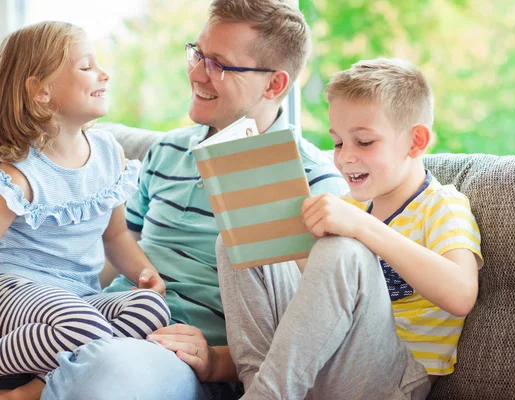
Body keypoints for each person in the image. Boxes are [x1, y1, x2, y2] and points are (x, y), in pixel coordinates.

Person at [39, 1, 347, 400]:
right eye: (197, 53)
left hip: (179, 363)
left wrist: (218, 361)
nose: (196, 72)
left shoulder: (317, 186)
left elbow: (316, 338)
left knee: (108, 374)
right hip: (109, 321)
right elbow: (113, 254)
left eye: (219, 64)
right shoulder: (165, 151)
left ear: (274, 85)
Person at [215, 58, 484, 399]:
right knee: (237, 239)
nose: (344, 158)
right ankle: (258, 386)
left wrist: (362, 228)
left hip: (395, 380)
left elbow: (461, 294)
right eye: (339, 143)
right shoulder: (351, 207)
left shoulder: (441, 205)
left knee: (343, 249)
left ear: (416, 141)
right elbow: (321, 293)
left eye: (365, 142)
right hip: (326, 361)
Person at [0, 21, 171, 400]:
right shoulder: (17, 170)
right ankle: (23, 388)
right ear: (41, 90)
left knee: (151, 310)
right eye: (86, 66)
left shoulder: (109, 154)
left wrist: (147, 274)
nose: (103, 73)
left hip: (80, 298)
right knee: (85, 329)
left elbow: (116, 236)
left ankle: (46, 379)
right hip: (14, 290)